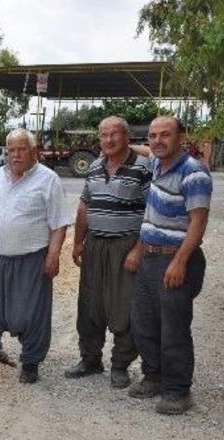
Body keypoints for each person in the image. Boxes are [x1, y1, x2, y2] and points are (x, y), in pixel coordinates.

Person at [0, 128, 71, 384]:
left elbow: (59, 223)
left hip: (30, 259)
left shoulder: (48, 179)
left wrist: (53, 254)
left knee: (30, 313)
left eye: (21, 149)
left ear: (34, 151)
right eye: (11, 150)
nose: (15, 155)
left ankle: (31, 362)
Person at [128, 116, 212, 415]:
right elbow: (146, 151)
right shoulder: (157, 164)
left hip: (175, 259)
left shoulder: (193, 173)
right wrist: (121, 144)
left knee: (173, 328)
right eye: (152, 135)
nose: (157, 141)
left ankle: (177, 390)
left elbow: (198, 222)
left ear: (181, 138)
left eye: (165, 135)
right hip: (149, 257)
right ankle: (153, 377)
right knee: (144, 323)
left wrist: (180, 261)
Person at [65, 117, 152, 389]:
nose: (109, 140)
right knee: (90, 304)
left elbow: (153, 213)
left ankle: (120, 364)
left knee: (123, 306)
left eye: (115, 134)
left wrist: (139, 250)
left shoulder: (143, 167)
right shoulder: (93, 167)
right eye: (104, 135)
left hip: (125, 244)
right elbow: (84, 207)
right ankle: (90, 359)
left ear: (127, 137)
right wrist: (78, 242)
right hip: (95, 244)